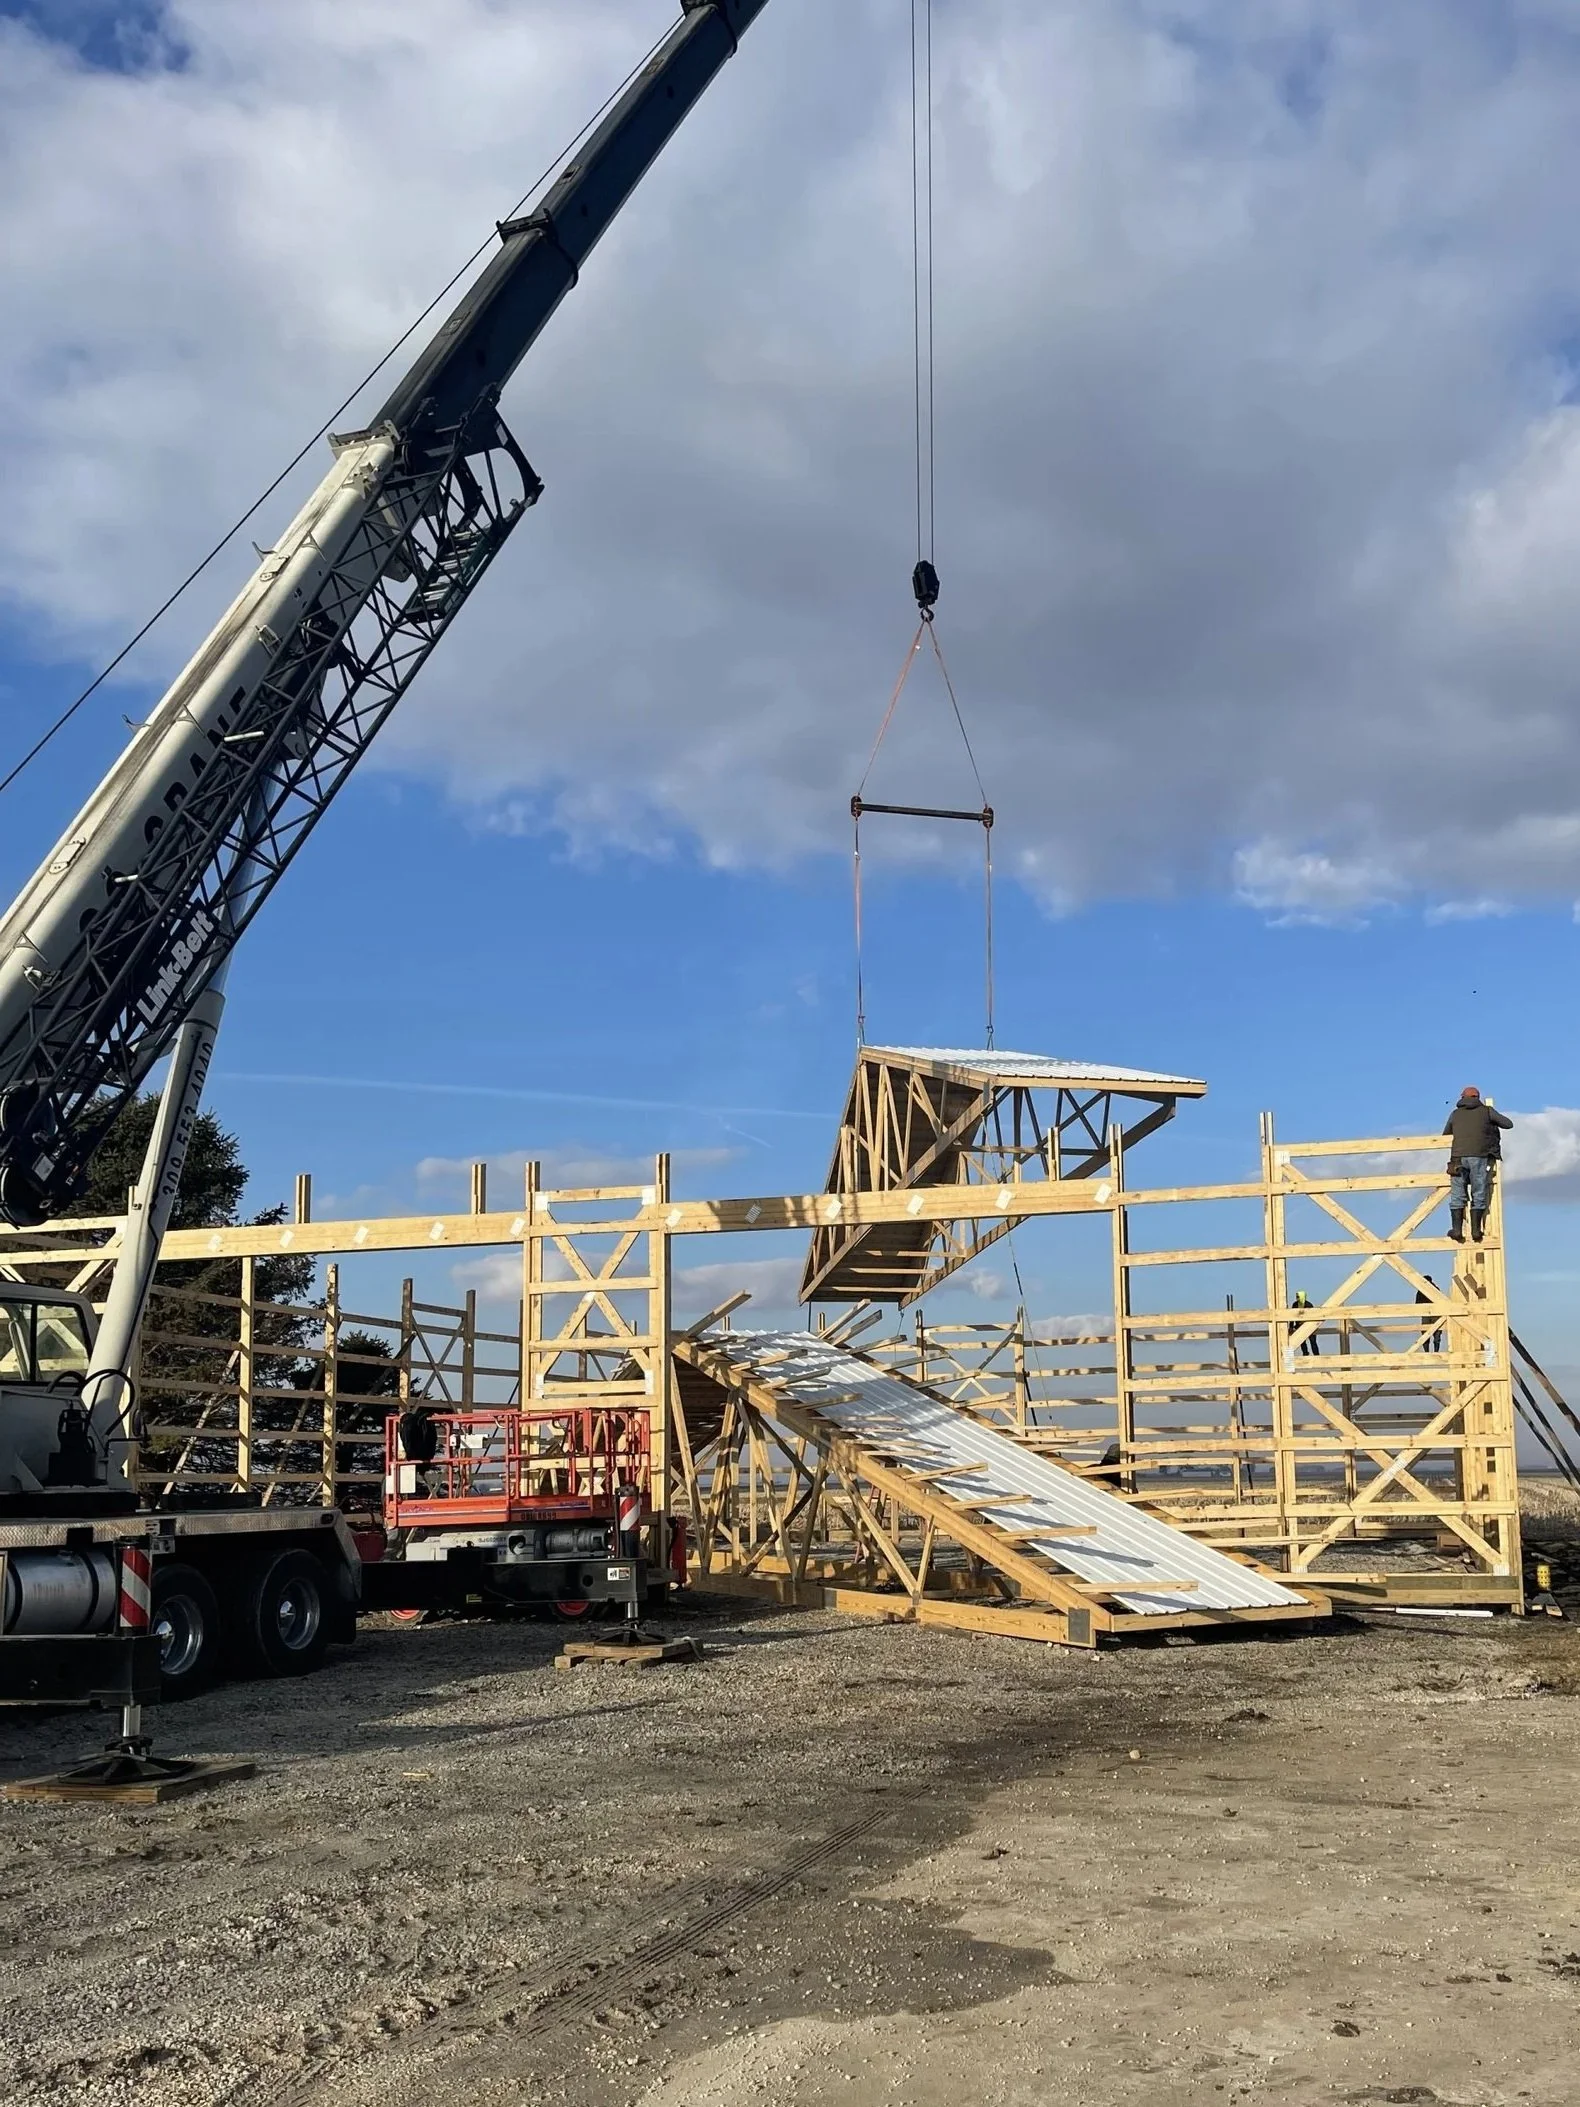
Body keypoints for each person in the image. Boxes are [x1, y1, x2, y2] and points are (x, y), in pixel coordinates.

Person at [1442, 1086, 1513, 1245]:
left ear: (1462, 1097)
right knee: (1479, 1191)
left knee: (1458, 1193)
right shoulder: (1487, 1111)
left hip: (1457, 1158)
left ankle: (1457, 1230)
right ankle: (1476, 1231)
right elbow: (1508, 1124)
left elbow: (1446, 1135)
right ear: (1478, 1097)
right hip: (1479, 1156)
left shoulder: (1455, 1114)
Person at [1415, 1276, 1444, 1353]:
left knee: (1425, 1333)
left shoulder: (1420, 1291)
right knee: (1436, 1333)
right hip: (1435, 1313)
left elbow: (1417, 1304)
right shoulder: (1435, 1289)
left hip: (1427, 1314)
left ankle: (1427, 1352)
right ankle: (1436, 1351)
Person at [1292, 1287, 1321, 1357]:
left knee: (1313, 1341)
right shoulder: (1295, 1304)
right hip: (1299, 1326)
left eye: (1298, 1296)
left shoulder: (1309, 1304)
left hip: (1310, 1325)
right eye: (1296, 1296)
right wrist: (1291, 1327)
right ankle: (1305, 1353)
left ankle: (1316, 1355)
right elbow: (1292, 1316)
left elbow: (1314, 1316)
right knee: (1302, 1341)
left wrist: (1315, 1326)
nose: (1297, 1298)